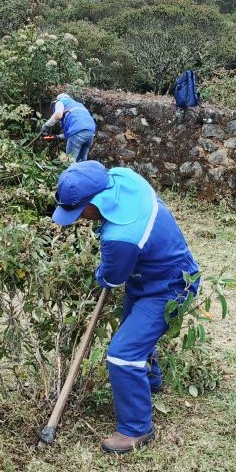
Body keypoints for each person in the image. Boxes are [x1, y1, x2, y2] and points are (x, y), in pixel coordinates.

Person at [52, 161, 199, 454]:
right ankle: (151, 380)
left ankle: (136, 429)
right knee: (133, 329)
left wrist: (102, 272)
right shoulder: (125, 177)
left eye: (79, 211)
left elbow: (111, 278)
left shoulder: (121, 237)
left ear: (96, 202)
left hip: (171, 288)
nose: (78, 218)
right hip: (148, 274)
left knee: (123, 353)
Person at [40, 93, 97, 162]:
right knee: (82, 162)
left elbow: (58, 115)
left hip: (78, 130)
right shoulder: (78, 105)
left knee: (70, 161)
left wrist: (46, 125)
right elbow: (77, 133)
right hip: (91, 132)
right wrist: (57, 137)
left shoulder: (60, 102)